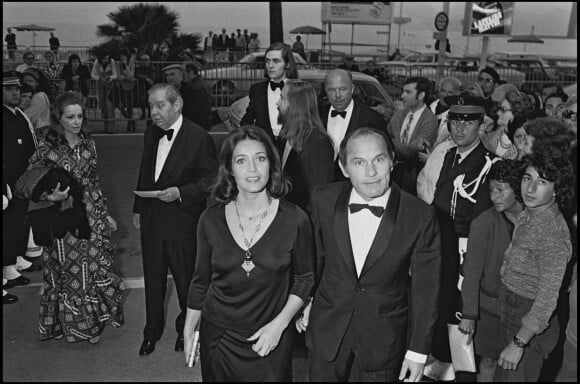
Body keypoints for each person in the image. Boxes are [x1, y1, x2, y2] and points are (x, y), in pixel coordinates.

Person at [299, 127, 441, 382]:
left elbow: (427, 289)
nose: (371, 172)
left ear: (392, 161)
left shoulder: (419, 215)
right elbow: (315, 258)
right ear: (344, 169)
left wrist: (418, 351)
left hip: (384, 339)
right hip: (328, 331)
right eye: (359, 162)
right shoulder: (323, 200)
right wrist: (307, 299)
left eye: (379, 160)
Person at [183, 125, 315, 381]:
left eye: (260, 159)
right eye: (241, 161)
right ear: (230, 169)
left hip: (270, 336)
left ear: (272, 165)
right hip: (219, 337)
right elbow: (201, 280)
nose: (252, 169)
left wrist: (279, 325)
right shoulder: (209, 220)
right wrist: (189, 329)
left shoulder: (295, 220)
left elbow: (305, 278)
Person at [15, 91, 126, 343]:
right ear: (59, 118)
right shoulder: (46, 147)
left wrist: (104, 213)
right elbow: (26, 184)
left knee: (97, 267)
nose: (76, 122)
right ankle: (78, 327)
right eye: (70, 117)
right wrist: (48, 197)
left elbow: (94, 181)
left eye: (80, 116)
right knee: (70, 273)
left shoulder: (89, 142)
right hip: (62, 219)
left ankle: (92, 324)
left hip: (91, 215)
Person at [132, 83, 218, 356]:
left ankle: (187, 330)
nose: (154, 112)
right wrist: (137, 207)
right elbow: (145, 170)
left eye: (160, 106)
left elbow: (210, 180)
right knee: (153, 281)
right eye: (151, 106)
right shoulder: (150, 132)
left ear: (177, 105)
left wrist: (181, 192)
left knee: (186, 283)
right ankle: (151, 331)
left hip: (182, 221)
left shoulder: (199, 136)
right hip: (151, 219)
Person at [418, 104, 496, 381]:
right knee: (438, 307)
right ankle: (440, 369)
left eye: (468, 122)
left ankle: (462, 373)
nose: (459, 128)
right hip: (440, 244)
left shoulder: (491, 164)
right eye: (454, 122)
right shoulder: (448, 155)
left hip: (466, 249)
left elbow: (484, 218)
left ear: (481, 126)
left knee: (461, 315)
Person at [495, 150, 574, 382]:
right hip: (513, 308)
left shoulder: (553, 234)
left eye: (542, 182)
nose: (529, 189)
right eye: (527, 178)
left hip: (528, 321)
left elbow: (547, 298)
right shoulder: (531, 214)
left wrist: (519, 343)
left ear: (557, 189)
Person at [458, 159, 525, 382]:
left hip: (523, 312)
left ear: (517, 189)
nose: (494, 196)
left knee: (515, 366)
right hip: (490, 310)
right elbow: (472, 273)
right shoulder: (483, 224)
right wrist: (469, 314)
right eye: (491, 190)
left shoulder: (535, 221)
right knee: (488, 361)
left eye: (501, 189)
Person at [3, 71, 38, 301]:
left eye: (17, 89)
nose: (15, 92)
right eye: (9, 89)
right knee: (7, 227)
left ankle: (10, 264)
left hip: (20, 180)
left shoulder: (15, 114)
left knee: (15, 225)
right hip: (8, 181)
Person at [319, 68, 389, 182]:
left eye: (342, 89)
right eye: (332, 90)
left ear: (352, 89)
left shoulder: (372, 119)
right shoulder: (317, 115)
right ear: (325, 91)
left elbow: (383, 158)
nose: (337, 95)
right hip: (324, 186)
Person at [276, 80, 335, 213]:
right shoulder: (284, 134)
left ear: (295, 105)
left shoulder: (319, 142)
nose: (278, 103)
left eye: (282, 98)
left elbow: (319, 194)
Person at [241, 42, 298, 150]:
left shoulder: (299, 90)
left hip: (293, 153)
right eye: (267, 61)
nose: (270, 66)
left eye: (276, 61)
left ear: (288, 64)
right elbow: (246, 121)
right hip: (264, 151)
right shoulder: (257, 90)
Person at [387, 76, 438, 195]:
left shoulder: (430, 120)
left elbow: (409, 152)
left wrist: (390, 141)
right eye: (403, 91)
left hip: (412, 179)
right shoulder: (399, 114)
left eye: (408, 92)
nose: (402, 96)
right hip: (393, 174)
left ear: (421, 96)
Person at [162, 63, 211, 130]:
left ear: (181, 75)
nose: (169, 78)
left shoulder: (191, 91)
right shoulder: (170, 91)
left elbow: (195, 116)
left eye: (172, 74)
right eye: (167, 75)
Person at [91, 52, 118, 132]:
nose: (106, 60)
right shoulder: (96, 62)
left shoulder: (111, 61)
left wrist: (109, 77)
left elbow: (115, 75)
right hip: (101, 85)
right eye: (104, 58)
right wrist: (99, 78)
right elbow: (92, 74)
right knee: (103, 106)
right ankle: (105, 127)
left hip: (110, 85)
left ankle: (111, 128)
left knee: (109, 105)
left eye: (107, 58)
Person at [184, 61, 212, 129]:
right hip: (204, 122)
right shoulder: (201, 83)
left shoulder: (194, 88)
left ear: (191, 72)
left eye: (184, 75)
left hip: (198, 124)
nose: (183, 78)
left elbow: (195, 111)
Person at [115, 48, 137, 132]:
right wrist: (126, 77)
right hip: (121, 87)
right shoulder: (118, 64)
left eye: (124, 56)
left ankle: (129, 125)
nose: (122, 57)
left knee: (129, 106)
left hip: (130, 87)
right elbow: (119, 77)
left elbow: (132, 75)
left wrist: (126, 68)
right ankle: (131, 121)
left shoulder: (131, 63)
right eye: (121, 56)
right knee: (121, 106)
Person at [134, 54, 157, 120]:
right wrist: (146, 78)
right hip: (142, 87)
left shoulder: (152, 68)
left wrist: (148, 79)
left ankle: (150, 115)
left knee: (150, 101)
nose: (144, 62)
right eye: (143, 60)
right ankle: (143, 113)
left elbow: (153, 78)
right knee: (142, 100)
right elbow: (136, 75)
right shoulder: (139, 68)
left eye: (146, 60)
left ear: (149, 61)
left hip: (150, 87)